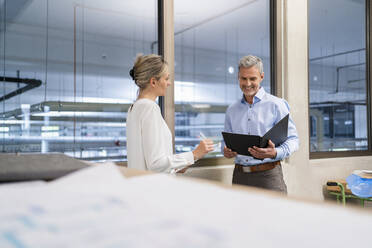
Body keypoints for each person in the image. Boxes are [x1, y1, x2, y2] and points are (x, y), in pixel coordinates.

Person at [223, 55, 299, 193]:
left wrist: (275, 152)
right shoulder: (231, 110)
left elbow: (293, 140)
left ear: (261, 77)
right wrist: (226, 151)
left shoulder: (276, 104)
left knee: (276, 214)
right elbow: (226, 142)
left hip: (268, 176)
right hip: (240, 177)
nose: (247, 84)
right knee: (240, 215)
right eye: (243, 78)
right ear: (238, 78)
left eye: (252, 78)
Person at [126, 54, 214, 173]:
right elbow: (156, 164)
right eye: (166, 78)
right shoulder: (150, 108)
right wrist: (194, 154)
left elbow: (151, 163)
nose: (169, 83)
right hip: (153, 189)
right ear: (153, 82)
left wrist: (188, 161)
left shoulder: (133, 108)